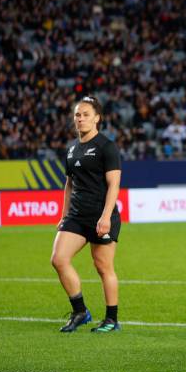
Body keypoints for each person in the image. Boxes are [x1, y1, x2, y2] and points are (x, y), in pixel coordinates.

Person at [51, 96, 122, 333]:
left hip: (102, 215)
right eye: (77, 115)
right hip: (76, 216)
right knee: (58, 259)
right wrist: (63, 214)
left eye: (85, 114)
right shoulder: (72, 149)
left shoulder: (106, 147)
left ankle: (111, 319)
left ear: (97, 118)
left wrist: (105, 216)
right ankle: (80, 311)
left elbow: (114, 184)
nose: (80, 119)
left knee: (103, 267)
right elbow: (69, 184)